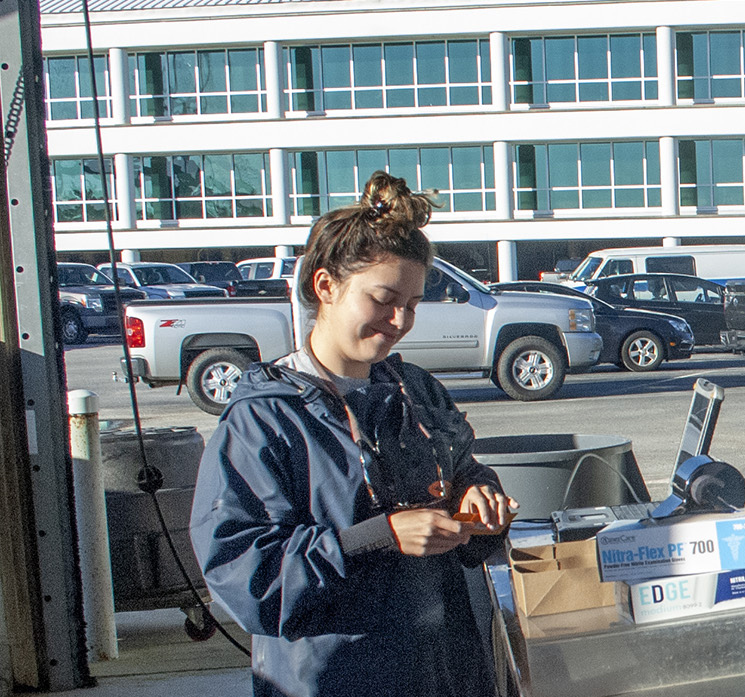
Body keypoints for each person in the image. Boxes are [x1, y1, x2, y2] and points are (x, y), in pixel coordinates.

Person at [192, 172, 517, 697]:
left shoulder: (416, 391)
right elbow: (246, 579)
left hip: (445, 671)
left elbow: (462, 469)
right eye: (384, 299)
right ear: (325, 286)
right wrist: (380, 535)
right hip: (331, 678)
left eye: (412, 305)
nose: (399, 320)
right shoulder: (262, 421)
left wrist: (477, 494)